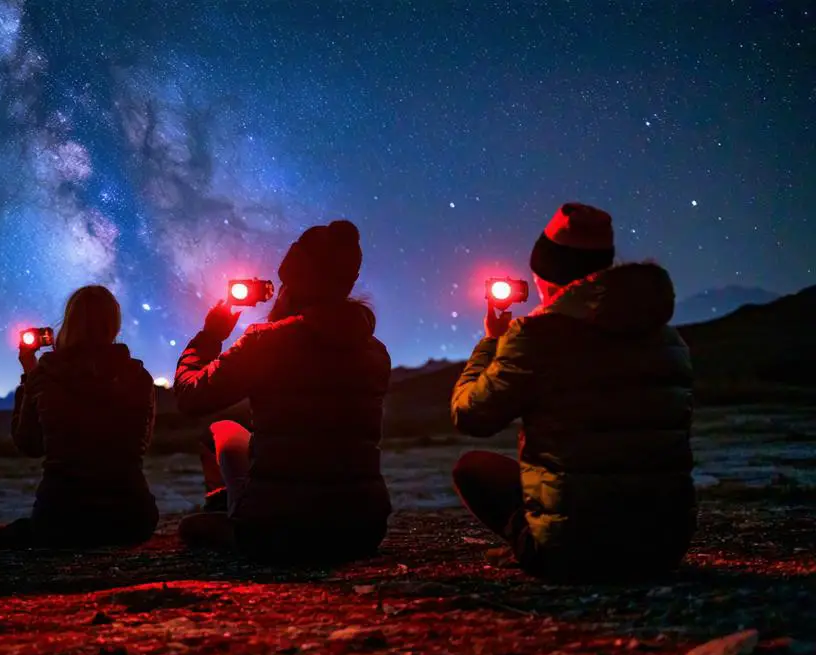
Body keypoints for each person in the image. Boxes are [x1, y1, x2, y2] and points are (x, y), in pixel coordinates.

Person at [450, 203, 695, 582]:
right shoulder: (669, 340)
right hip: (664, 546)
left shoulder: (537, 336)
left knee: (474, 468)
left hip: (574, 553)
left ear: (547, 276)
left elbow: (471, 414)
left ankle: (536, 543)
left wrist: (492, 341)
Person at [173, 220, 392, 564]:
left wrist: (210, 336)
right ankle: (234, 507)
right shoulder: (375, 351)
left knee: (218, 439)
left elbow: (191, 396)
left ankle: (230, 510)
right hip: (362, 530)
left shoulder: (267, 342)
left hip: (278, 531)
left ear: (295, 280)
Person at [0, 285, 159, 548]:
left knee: (1, 536)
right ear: (114, 325)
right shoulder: (139, 377)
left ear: (69, 322)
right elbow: (142, 442)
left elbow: (29, 444)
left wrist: (30, 375)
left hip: (61, 519)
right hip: (133, 519)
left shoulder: (46, 376)